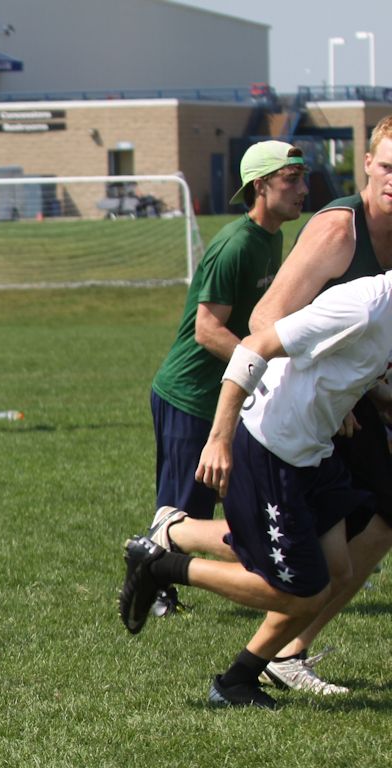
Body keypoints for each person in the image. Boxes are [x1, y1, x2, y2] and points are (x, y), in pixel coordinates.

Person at [155, 117, 392, 695]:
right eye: (388, 166)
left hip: (335, 403)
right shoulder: (336, 231)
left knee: (349, 535)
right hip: (287, 406)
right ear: (366, 163)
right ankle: (178, 553)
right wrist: (336, 393)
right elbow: (263, 323)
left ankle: (181, 540)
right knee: (309, 563)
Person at [119, 270, 392, 708]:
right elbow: (256, 346)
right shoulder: (365, 306)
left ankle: (237, 681)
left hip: (312, 451)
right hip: (271, 448)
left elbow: (345, 364)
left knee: (336, 571)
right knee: (301, 592)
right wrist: (219, 438)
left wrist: (344, 397)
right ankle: (161, 567)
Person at [141, 141, 309, 616]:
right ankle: (155, 591)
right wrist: (262, 366)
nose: (302, 189)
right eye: (291, 179)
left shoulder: (271, 238)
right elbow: (207, 330)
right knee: (181, 506)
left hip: (225, 392)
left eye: (303, 177)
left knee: (222, 497)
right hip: (189, 394)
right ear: (261, 186)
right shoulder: (236, 244)